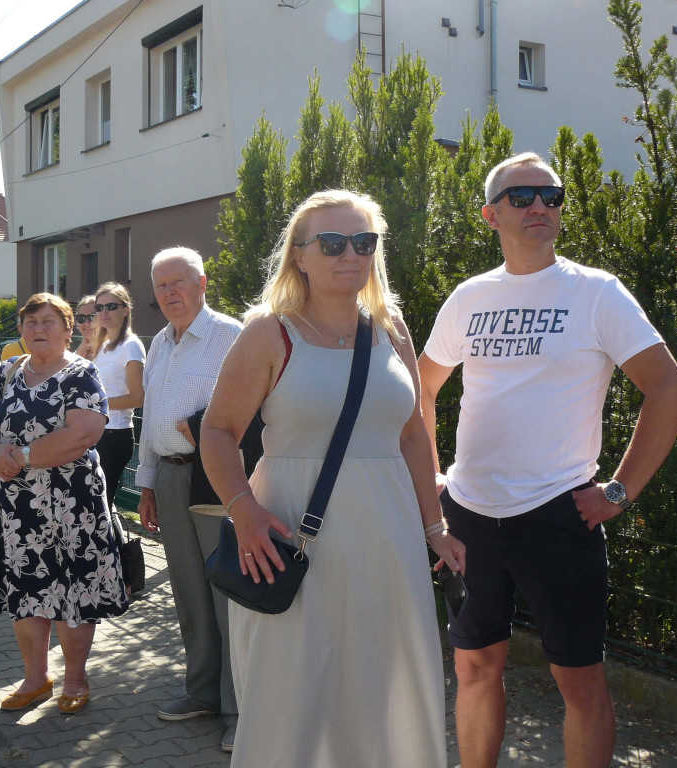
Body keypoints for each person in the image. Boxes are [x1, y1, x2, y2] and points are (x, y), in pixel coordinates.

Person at [417, 152, 677, 768]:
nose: (539, 206)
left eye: (551, 195)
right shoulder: (469, 297)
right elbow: (422, 389)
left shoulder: (595, 292)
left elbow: (670, 390)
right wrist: (432, 480)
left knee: (580, 682)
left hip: (559, 515)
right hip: (468, 518)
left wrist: (619, 491)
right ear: (491, 214)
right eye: (521, 197)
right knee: (475, 666)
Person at [199, 190, 465, 767]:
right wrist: (242, 511)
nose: (351, 254)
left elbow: (414, 434)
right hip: (290, 535)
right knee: (292, 691)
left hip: (387, 535)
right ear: (300, 254)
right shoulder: (270, 333)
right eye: (333, 242)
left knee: (384, 679)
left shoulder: (391, 328)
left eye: (363, 242)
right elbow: (218, 432)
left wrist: (435, 525)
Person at [0, 292, 127, 713]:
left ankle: (75, 680)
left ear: (68, 328)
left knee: (74, 591)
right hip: (19, 507)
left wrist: (19, 456)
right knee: (27, 590)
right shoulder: (7, 371)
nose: (38, 329)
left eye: (49, 321)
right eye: (31, 322)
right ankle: (35, 679)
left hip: (72, 503)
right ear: (20, 330)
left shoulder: (82, 373)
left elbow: (85, 433)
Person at [135, 247, 243, 752]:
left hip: (216, 477)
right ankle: (201, 690)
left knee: (228, 594)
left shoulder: (232, 335)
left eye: (179, 282)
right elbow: (150, 409)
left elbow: (259, 408)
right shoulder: (159, 340)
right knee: (190, 591)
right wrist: (148, 482)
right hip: (173, 479)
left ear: (203, 283)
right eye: (161, 285)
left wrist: (200, 428)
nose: (169, 292)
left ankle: (240, 707)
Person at [90, 283, 145, 517]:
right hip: (97, 431)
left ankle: (110, 552)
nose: (104, 312)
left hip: (115, 434)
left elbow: (138, 397)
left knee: (100, 506)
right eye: (99, 307)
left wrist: (96, 403)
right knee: (95, 505)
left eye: (111, 306)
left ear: (126, 310)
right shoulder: (101, 346)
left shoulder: (131, 345)